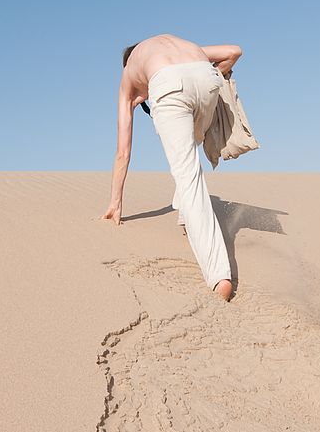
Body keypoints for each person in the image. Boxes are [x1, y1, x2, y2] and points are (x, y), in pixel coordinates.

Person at [100, 33, 242, 302]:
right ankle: (185, 212)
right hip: (206, 77)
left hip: (168, 86)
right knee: (191, 142)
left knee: (188, 176)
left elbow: (123, 152)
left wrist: (115, 203)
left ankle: (219, 276)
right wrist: (210, 79)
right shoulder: (177, 46)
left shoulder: (129, 72)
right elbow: (234, 52)